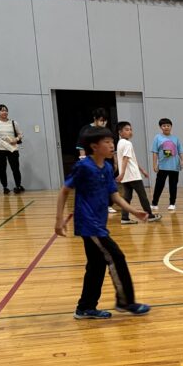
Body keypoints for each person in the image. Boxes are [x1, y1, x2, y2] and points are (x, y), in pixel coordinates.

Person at [54, 126, 150, 319]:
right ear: (94, 146)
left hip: (98, 223)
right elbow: (64, 191)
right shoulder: (83, 167)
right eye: (107, 142)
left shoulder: (106, 168)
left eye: (112, 141)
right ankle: (125, 301)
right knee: (117, 257)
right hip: (89, 225)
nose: (112, 145)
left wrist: (134, 211)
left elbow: (114, 195)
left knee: (96, 266)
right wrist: (59, 220)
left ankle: (85, 307)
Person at [116, 122, 161, 225]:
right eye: (127, 129)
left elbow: (131, 160)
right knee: (142, 196)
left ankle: (124, 218)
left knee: (127, 198)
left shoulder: (120, 143)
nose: (130, 132)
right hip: (132, 175)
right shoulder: (127, 143)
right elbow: (125, 158)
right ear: (120, 132)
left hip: (127, 176)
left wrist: (141, 170)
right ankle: (150, 216)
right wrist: (122, 173)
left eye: (130, 129)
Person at [150, 118, 183, 212]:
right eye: (164, 126)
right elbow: (155, 152)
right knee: (159, 185)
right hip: (162, 166)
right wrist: (154, 164)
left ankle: (172, 204)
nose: (166, 127)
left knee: (173, 185)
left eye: (168, 125)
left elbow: (180, 151)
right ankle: (154, 203)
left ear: (171, 126)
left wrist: (182, 161)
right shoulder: (157, 137)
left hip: (174, 166)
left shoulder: (175, 138)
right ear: (161, 127)